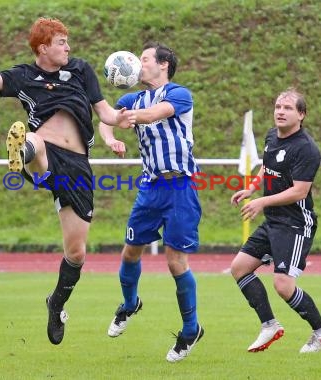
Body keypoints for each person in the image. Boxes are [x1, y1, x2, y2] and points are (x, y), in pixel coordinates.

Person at [0, 17, 133, 345]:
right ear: (43, 48)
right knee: (35, 141)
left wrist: (122, 121)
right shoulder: (23, 76)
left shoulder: (81, 70)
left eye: (67, 41)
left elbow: (105, 113)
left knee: (77, 252)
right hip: (46, 149)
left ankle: (56, 304)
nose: (68, 47)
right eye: (61, 42)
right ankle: (22, 150)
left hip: (78, 166)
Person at [99, 42, 204, 363]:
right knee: (130, 251)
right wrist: (111, 137)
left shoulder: (179, 94)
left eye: (144, 60)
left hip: (181, 187)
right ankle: (130, 304)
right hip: (150, 187)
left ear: (164, 66)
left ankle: (190, 329)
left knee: (175, 263)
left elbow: (159, 113)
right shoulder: (132, 98)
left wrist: (131, 117)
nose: (139, 64)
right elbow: (105, 119)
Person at [230, 87, 321, 353]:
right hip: (273, 221)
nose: (280, 112)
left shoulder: (306, 149)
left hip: (296, 224)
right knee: (239, 268)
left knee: (283, 285)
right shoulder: (271, 136)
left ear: (301, 115)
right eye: (278, 107)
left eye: (287, 108)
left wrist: (261, 202)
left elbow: (300, 191)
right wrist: (252, 188)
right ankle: (270, 325)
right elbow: (267, 167)